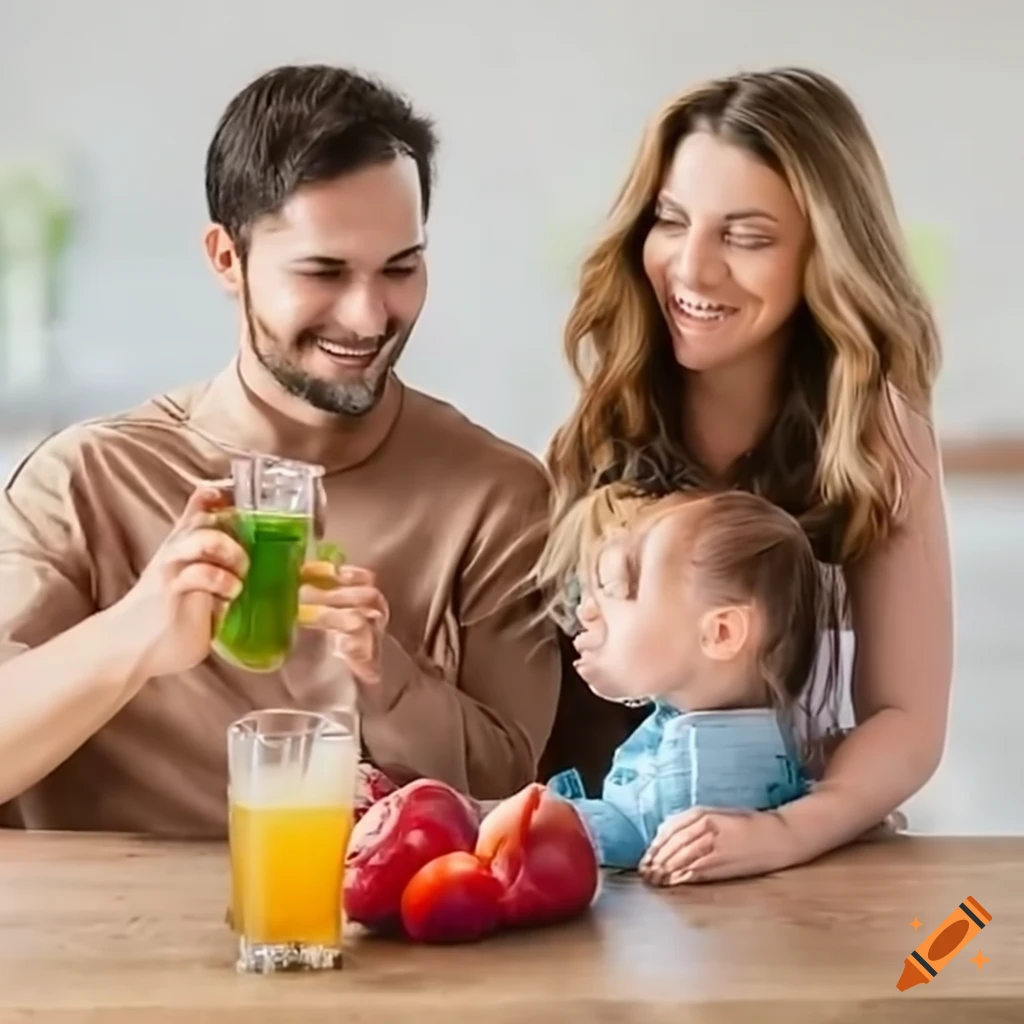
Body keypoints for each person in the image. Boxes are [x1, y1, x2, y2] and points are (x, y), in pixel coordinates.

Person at [0, 64, 560, 835]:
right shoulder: (84, 482)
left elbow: (510, 790)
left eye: (400, 268)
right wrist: (134, 635)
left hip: (387, 946)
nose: (368, 317)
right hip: (109, 944)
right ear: (227, 259)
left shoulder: (496, 496)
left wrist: (384, 674)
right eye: (323, 271)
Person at [539, 66, 953, 882]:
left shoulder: (876, 431)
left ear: (823, 257)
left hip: (792, 873)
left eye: (747, 236)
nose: (690, 270)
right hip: (606, 875)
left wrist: (786, 833)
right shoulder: (612, 409)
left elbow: (907, 721)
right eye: (671, 220)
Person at [538, 484, 822, 881]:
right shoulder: (733, 734)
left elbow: (633, 837)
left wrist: (538, 821)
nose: (586, 612)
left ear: (721, 634)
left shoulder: (697, 774)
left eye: (623, 592)